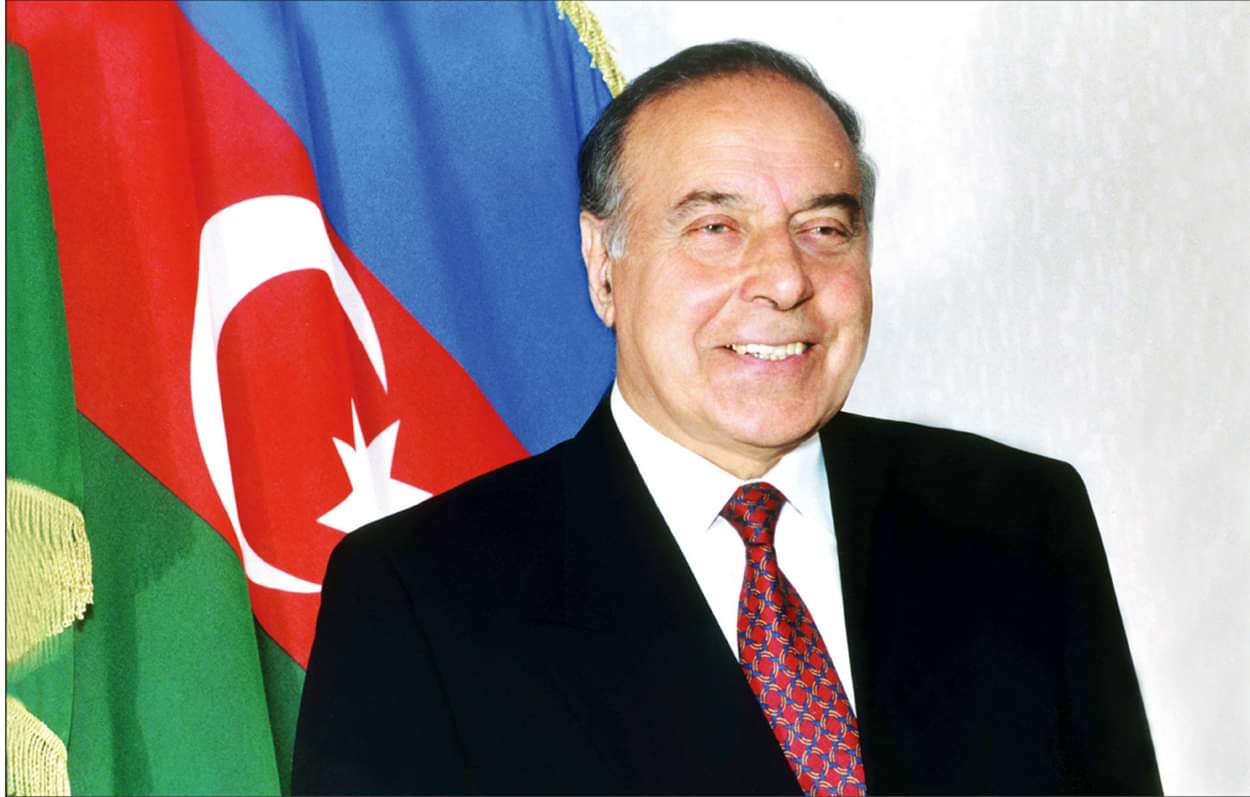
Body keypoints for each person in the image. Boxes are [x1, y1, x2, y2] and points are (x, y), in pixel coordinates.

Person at [292, 41, 1161, 796]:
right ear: (603, 263)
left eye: (824, 229)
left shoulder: (1020, 519)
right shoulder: (420, 597)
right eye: (716, 227)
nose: (784, 278)